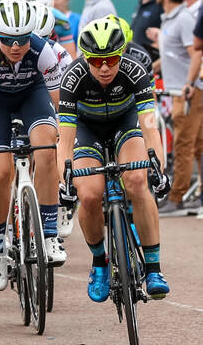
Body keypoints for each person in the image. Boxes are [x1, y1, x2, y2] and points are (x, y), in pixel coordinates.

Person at [58, 17, 169, 300]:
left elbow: (149, 125)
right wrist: (65, 178)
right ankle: (99, 262)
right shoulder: (73, 78)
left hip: (125, 124)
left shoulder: (136, 71)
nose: (104, 67)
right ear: (86, 58)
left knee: (136, 180)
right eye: (96, 62)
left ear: (121, 55)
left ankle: (154, 268)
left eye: (111, 59)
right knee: (90, 194)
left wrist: (158, 165)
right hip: (87, 129)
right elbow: (66, 138)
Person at [0, 0, 65, 291]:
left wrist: (61, 129)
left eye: (22, 40)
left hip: (32, 97)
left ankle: (49, 234)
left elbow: (58, 103)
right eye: (9, 40)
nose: (16, 47)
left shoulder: (43, 50)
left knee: (46, 148)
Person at [153, 0, 201, 216]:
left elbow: (195, 53)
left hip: (189, 91)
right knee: (198, 145)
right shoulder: (172, 19)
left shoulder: (182, 19)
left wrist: (190, 83)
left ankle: (176, 198)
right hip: (183, 90)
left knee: (183, 144)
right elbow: (173, 55)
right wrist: (150, 69)